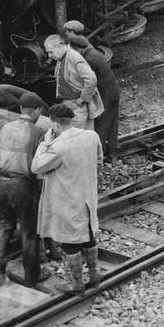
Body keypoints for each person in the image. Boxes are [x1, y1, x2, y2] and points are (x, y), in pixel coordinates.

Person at [31, 103, 103, 294]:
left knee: (70, 242)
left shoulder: (57, 147)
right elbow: (99, 159)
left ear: (54, 125)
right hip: (88, 197)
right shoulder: (91, 136)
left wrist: (45, 143)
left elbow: (36, 167)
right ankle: (95, 275)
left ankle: (77, 283)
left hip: (68, 200)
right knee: (88, 236)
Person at [0, 92, 48, 288]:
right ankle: (31, 277)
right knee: (30, 232)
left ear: (21, 109)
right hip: (23, 185)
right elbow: (40, 168)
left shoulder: (4, 128)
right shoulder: (38, 132)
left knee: (1, 227)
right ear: (38, 110)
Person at [64, 21, 120, 158]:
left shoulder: (89, 58)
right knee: (111, 123)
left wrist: (81, 98)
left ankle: (96, 157)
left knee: (101, 124)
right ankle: (112, 153)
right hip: (111, 90)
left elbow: (87, 80)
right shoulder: (89, 48)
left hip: (107, 93)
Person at [43, 32, 104, 130]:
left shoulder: (74, 58)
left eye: (51, 52)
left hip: (77, 105)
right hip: (68, 102)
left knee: (78, 133)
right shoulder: (61, 57)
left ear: (59, 46)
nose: (49, 55)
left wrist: (83, 98)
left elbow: (91, 79)